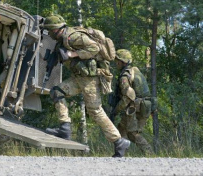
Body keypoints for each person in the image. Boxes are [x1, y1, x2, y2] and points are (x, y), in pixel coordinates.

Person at [42, 14, 130, 157]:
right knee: (57, 92)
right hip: (79, 78)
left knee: (95, 111)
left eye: (50, 31)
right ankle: (65, 127)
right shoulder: (62, 39)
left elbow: (94, 48)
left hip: (90, 79)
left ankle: (119, 141)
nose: (49, 34)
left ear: (56, 30)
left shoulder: (73, 37)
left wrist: (72, 54)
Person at [112, 49, 153, 155]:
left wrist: (116, 110)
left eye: (117, 61)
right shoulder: (134, 70)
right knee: (121, 128)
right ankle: (122, 152)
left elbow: (128, 97)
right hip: (143, 105)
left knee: (132, 133)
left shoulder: (125, 76)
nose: (116, 63)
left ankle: (149, 153)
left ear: (122, 62)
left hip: (133, 107)